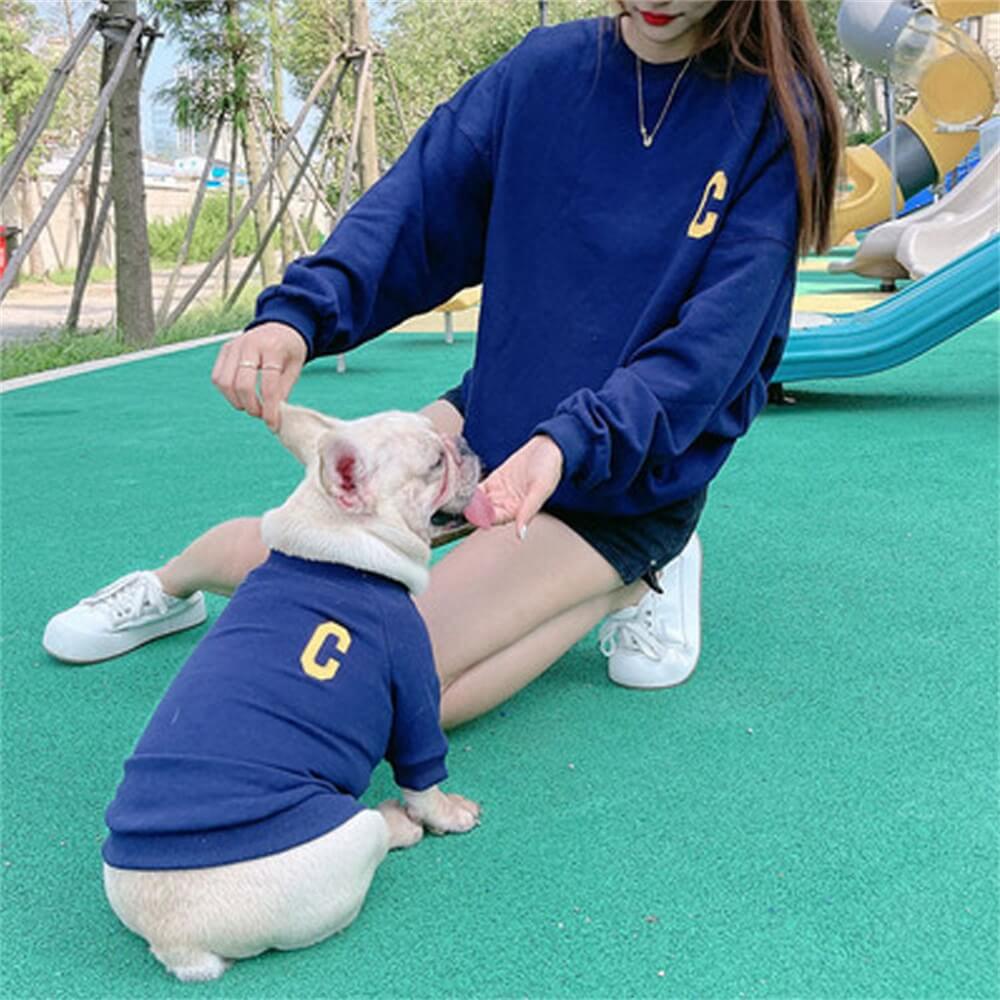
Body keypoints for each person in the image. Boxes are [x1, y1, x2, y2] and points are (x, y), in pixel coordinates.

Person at [43, 0, 842, 728]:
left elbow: (710, 354)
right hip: (486, 424)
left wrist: (565, 446)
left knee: (399, 699)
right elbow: (416, 206)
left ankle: (638, 573)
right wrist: (298, 318)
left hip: (623, 477)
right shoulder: (544, 70)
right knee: (305, 554)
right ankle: (168, 585)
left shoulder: (774, 119)